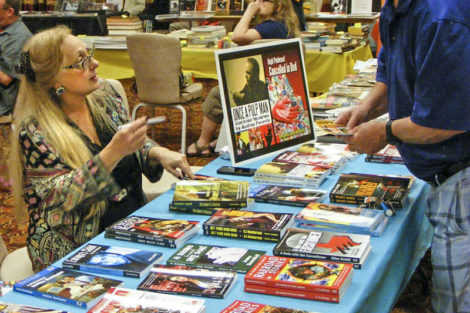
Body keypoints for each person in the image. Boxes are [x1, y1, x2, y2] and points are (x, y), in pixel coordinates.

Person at [9, 26, 194, 272]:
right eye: (80, 61)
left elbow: (129, 141)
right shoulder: (35, 131)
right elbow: (61, 202)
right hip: (75, 251)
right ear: (55, 80)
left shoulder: (104, 97)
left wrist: (155, 152)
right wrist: (112, 153)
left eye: (89, 54)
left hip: (132, 228)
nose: (93, 63)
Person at [334, 1, 470, 312]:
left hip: (460, 173)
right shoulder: (396, 8)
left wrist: (385, 132)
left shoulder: (442, 16)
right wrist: (367, 107)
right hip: (443, 172)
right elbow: (391, 73)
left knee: (456, 299)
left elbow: (441, 123)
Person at [186, 0, 300, 157]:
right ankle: (223, 140)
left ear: (278, 6)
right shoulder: (285, 26)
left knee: (218, 93)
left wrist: (249, 11)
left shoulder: (270, 27)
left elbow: (238, 36)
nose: (258, 2)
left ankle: (202, 143)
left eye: (264, 1)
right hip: (278, 89)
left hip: (263, 92)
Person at [0, 0, 32, 116]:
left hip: (4, 105)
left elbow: (6, 79)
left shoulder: (18, 37)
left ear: (9, 12)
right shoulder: (5, 28)